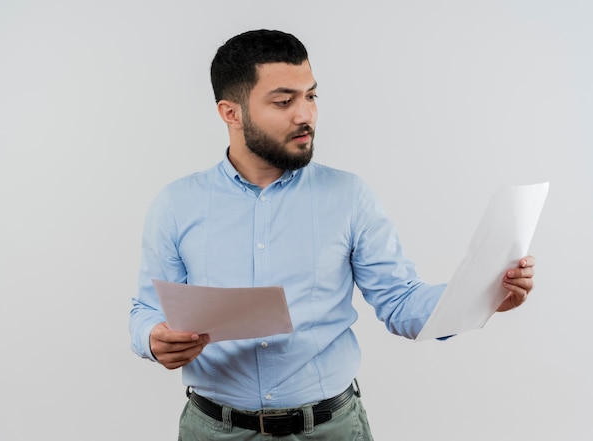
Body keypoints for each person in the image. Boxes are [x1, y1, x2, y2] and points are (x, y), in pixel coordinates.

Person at [129, 29, 535, 440]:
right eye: (284, 101)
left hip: (329, 430)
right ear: (230, 113)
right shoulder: (176, 204)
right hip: (214, 429)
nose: (305, 114)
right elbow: (146, 309)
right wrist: (153, 337)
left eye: (311, 96)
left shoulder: (349, 196)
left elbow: (400, 301)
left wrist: (482, 295)